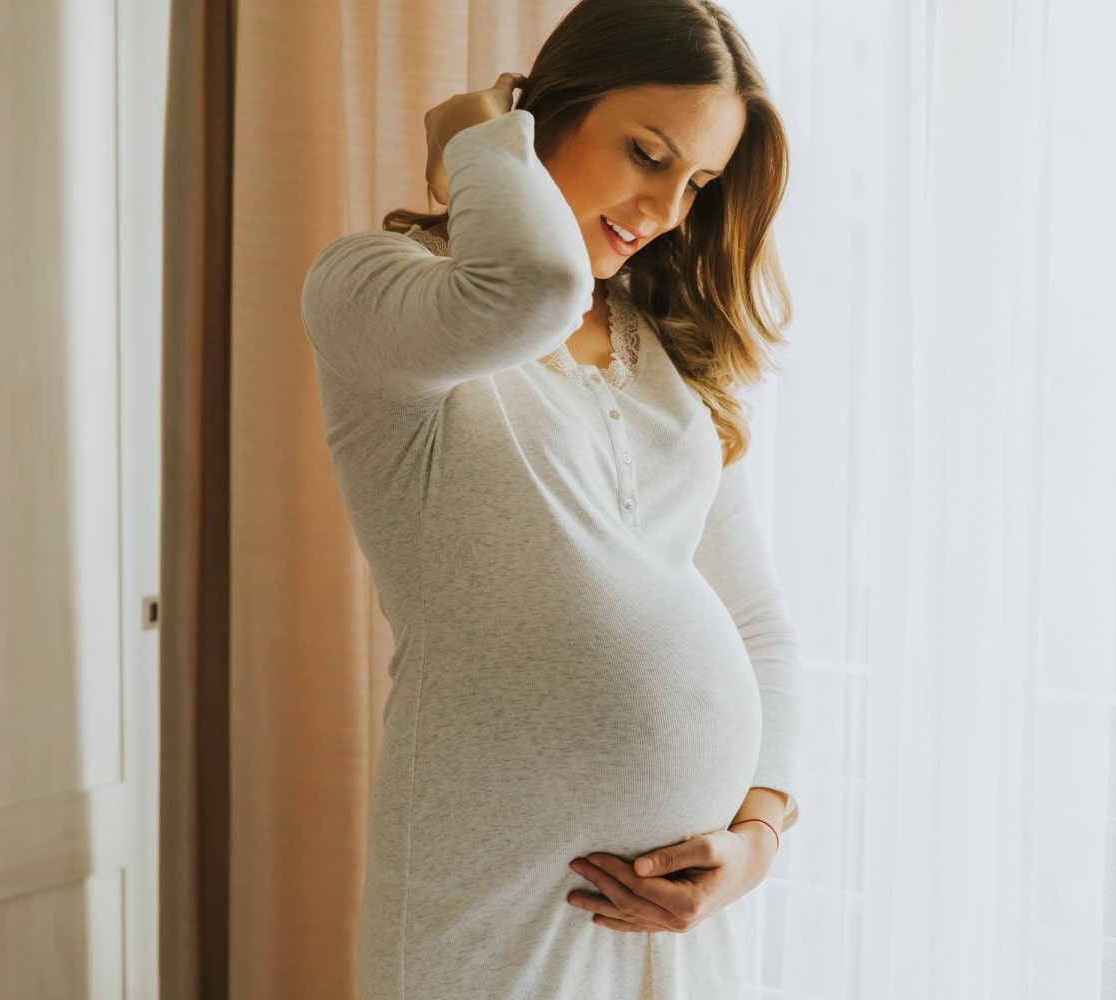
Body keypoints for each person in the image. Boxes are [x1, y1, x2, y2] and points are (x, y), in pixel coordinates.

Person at [299, 0, 802, 996]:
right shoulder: (373, 290)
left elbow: (759, 626)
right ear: (550, 111)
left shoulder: (669, 355)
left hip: (679, 929)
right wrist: (473, 136)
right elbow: (529, 282)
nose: (665, 210)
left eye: (696, 182)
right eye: (647, 154)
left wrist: (756, 838)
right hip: (495, 911)